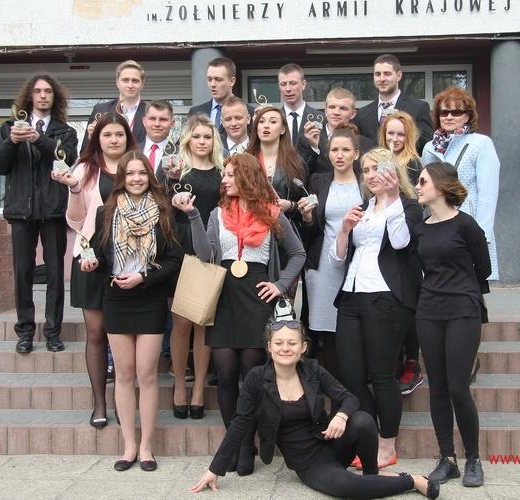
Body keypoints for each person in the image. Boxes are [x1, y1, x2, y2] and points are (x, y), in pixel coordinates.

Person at [189, 316, 440, 499]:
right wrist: (214, 469)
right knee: (346, 487)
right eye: (278, 343)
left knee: (362, 420)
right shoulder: (257, 378)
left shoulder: (311, 369)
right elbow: (240, 423)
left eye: (292, 343)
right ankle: (412, 481)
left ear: (303, 348)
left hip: (330, 442)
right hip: (309, 463)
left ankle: (371, 477)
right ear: (269, 347)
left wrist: (341, 416)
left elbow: (349, 398)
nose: (285, 348)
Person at [172, 153, 305, 476]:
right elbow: (205, 254)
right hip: (224, 295)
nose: (224, 180)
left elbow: (298, 253)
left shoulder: (272, 212)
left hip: (257, 298)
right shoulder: (217, 213)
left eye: (231, 175)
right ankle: (236, 444)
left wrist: (280, 285)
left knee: (251, 375)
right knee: (227, 374)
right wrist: (192, 216)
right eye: (225, 175)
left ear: (247, 177)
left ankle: (248, 444)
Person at [80, 151, 183, 472]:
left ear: (149, 176)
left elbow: (174, 259)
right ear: (121, 178)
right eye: (130, 174)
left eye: (141, 173)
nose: (136, 179)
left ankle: (147, 447)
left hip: (150, 298)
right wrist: (93, 263)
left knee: (147, 374)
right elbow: (100, 256)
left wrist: (144, 276)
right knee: (123, 374)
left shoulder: (163, 211)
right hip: (116, 299)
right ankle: (128, 446)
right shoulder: (106, 212)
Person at [329, 148, 422, 469]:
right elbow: (337, 258)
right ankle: (369, 438)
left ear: (392, 172)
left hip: (386, 298)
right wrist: (344, 229)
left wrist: (393, 197)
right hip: (352, 295)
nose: (369, 175)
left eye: (376, 169)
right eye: (365, 170)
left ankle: (386, 446)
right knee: (351, 374)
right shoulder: (362, 208)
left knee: (382, 375)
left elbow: (400, 242)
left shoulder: (409, 206)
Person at [51, 112, 136, 428]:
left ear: (127, 137)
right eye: (107, 134)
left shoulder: (137, 166)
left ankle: (123, 401)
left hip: (129, 261)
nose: (114, 140)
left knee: (124, 333)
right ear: (97, 138)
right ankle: (99, 403)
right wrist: (75, 190)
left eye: (119, 134)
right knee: (97, 333)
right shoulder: (84, 169)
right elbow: (74, 221)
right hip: (90, 258)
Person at [413, 162, 491, 487]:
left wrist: (460, 287)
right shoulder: (421, 228)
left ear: (441, 186)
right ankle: (447, 459)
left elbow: (483, 269)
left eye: (422, 182)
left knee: (458, 387)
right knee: (438, 388)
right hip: (429, 311)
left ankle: (473, 459)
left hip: (462, 310)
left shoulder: (466, 225)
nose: (417, 187)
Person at [0, 73, 78, 354]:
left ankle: (53, 332)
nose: (42, 96)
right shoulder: (9, 128)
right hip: (21, 211)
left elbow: (69, 158)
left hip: (53, 211)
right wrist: (12, 141)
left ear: (55, 96)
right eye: (38, 91)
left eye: (48, 91)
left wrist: (39, 139)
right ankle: (25, 332)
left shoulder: (65, 131)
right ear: (30, 96)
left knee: (55, 274)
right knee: (23, 273)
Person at [297, 124, 364, 378]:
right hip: (323, 262)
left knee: (353, 325)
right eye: (334, 150)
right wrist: (306, 217)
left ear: (356, 153)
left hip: (358, 261)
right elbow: (312, 228)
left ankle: (352, 380)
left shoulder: (365, 182)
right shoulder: (318, 181)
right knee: (323, 327)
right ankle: (326, 380)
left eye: (346, 150)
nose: (340, 155)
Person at [169, 114, 224, 420]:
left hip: (208, 252)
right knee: (180, 323)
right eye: (197, 136)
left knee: (203, 322)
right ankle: (180, 385)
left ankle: (200, 388)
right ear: (187, 139)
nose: (202, 141)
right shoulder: (176, 170)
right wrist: (172, 184)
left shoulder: (221, 173)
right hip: (180, 250)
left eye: (207, 136)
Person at [421, 86, 500, 280]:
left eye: (456, 112)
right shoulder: (430, 147)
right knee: (438, 279)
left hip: (467, 224)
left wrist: (482, 236)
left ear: (467, 116)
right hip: (435, 224)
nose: (449, 116)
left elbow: (488, 193)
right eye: (444, 112)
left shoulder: (480, 143)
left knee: (469, 283)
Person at [378, 110, 425, 395]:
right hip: (379, 236)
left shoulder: (414, 164)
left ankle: (412, 362)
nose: (394, 138)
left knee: (408, 300)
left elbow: (416, 202)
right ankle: (394, 359)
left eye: (400, 134)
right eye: (390, 133)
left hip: (406, 235)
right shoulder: (375, 160)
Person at [353, 54, 434, 153]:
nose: (382, 79)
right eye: (378, 74)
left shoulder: (418, 108)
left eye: (387, 74)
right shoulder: (362, 114)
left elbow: (427, 147)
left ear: (398, 75)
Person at [245, 106, 307, 220]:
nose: (266, 125)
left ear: (283, 129)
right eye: (261, 122)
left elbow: (305, 202)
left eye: (273, 122)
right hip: (250, 224)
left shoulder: (296, 162)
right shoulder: (244, 161)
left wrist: (291, 205)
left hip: (284, 225)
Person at [299, 87, 375, 175]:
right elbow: (300, 174)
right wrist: (313, 148)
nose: (336, 112)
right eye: (332, 107)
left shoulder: (366, 144)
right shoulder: (306, 140)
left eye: (343, 108)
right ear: (325, 110)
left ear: (353, 114)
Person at [81, 60, 147, 152]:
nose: (130, 85)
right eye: (125, 80)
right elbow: (84, 151)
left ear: (142, 84)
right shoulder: (100, 110)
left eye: (135, 81)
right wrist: (92, 138)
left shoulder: (150, 113)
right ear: (117, 82)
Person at [189, 57, 254, 136]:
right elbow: (184, 140)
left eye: (218, 79)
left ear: (232, 81)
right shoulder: (195, 112)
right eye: (209, 79)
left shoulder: (250, 112)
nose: (212, 84)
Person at [278, 63, 319, 151]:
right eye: (283, 84)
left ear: (303, 84)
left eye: (293, 83)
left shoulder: (319, 118)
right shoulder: (274, 119)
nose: (288, 89)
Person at [140, 100, 176, 176]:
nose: (157, 124)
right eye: (152, 119)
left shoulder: (181, 154)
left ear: (172, 124)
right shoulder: (130, 151)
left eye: (163, 119)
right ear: (144, 121)